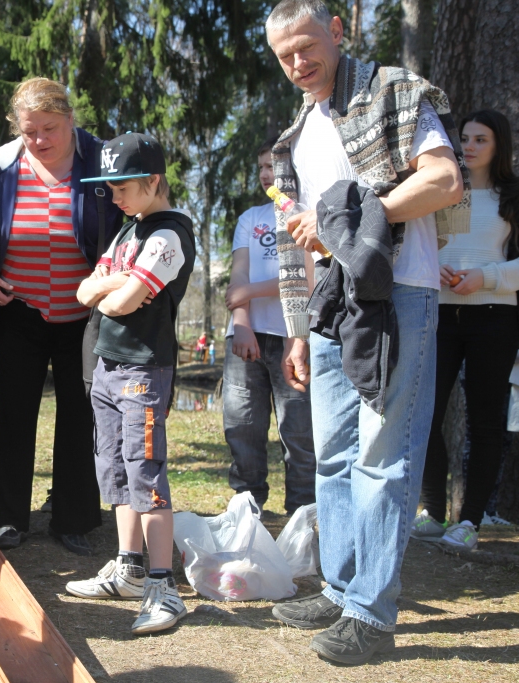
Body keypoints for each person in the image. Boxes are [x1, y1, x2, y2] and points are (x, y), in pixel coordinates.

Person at [265, 0, 467, 665]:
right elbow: (302, 245)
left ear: (338, 31)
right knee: (333, 452)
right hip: (331, 304)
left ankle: (371, 613)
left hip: (399, 293)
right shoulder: (297, 136)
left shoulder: (393, 92)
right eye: (284, 54)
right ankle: (341, 583)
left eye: (306, 46)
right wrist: (297, 332)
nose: (298, 63)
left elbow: (443, 180)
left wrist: (354, 220)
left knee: (384, 453)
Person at [0, 77, 123, 555]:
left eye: (50, 128)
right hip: (19, 311)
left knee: (80, 413)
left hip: (86, 314)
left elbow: (133, 219)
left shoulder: (102, 160)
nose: (40, 140)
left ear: (70, 120)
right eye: (30, 131)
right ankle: (9, 520)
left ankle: (74, 520)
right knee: (16, 414)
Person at [67, 132, 196, 635]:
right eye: (110, 188)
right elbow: (86, 290)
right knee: (115, 470)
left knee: (146, 473)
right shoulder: (127, 233)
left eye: (122, 187)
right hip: (106, 366)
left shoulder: (169, 234)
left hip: (144, 369)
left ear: (153, 180)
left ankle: (164, 587)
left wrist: (113, 287)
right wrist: (115, 284)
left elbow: (120, 303)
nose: (114, 197)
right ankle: (129, 568)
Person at [414, 110, 519, 550]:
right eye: (466, 138)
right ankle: (433, 513)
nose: (470, 146)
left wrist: (486, 277)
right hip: (439, 315)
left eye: (482, 139)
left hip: (495, 317)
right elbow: (420, 246)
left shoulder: (512, 196)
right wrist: (434, 267)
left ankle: (470, 521)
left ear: (500, 146)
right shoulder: (443, 192)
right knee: (426, 414)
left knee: (483, 421)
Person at [223, 139, 315, 515]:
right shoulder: (251, 219)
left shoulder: (308, 215)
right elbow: (237, 276)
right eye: (261, 167)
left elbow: (307, 278)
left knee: (298, 433)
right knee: (242, 427)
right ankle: (247, 512)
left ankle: (303, 515)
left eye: (273, 167)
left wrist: (250, 290)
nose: (266, 175)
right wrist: (241, 322)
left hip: (294, 337)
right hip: (247, 338)